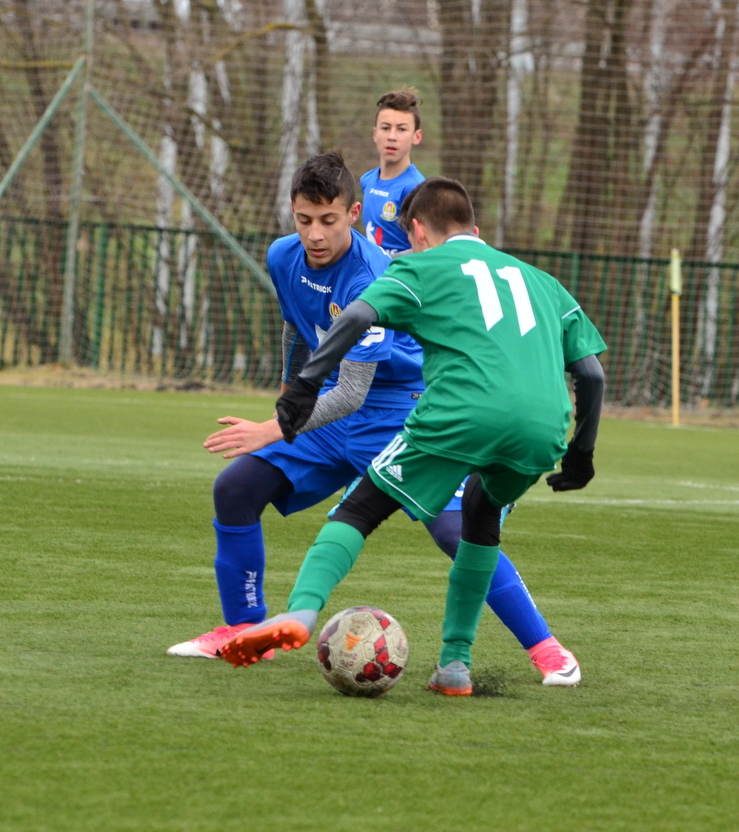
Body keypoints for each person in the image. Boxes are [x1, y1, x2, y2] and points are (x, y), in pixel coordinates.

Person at [167, 153, 582, 686]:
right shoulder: (282, 256)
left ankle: (546, 648)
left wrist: (274, 428)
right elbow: (297, 327)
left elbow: (353, 393)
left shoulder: (374, 274)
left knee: (456, 531)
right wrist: (289, 394)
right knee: (235, 489)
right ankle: (245, 629)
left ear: (354, 214)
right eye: (304, 220)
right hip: (326, 409)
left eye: (328, 220)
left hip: (393, 410)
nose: (315, 234)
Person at [361, 88, 426, 256]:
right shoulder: (367, 180)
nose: (392, 136)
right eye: (385, 128)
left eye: (401, 129)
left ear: (416, 137)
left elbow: (426, 249)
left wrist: (387, 261)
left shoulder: (416, 189)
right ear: (375, 133)